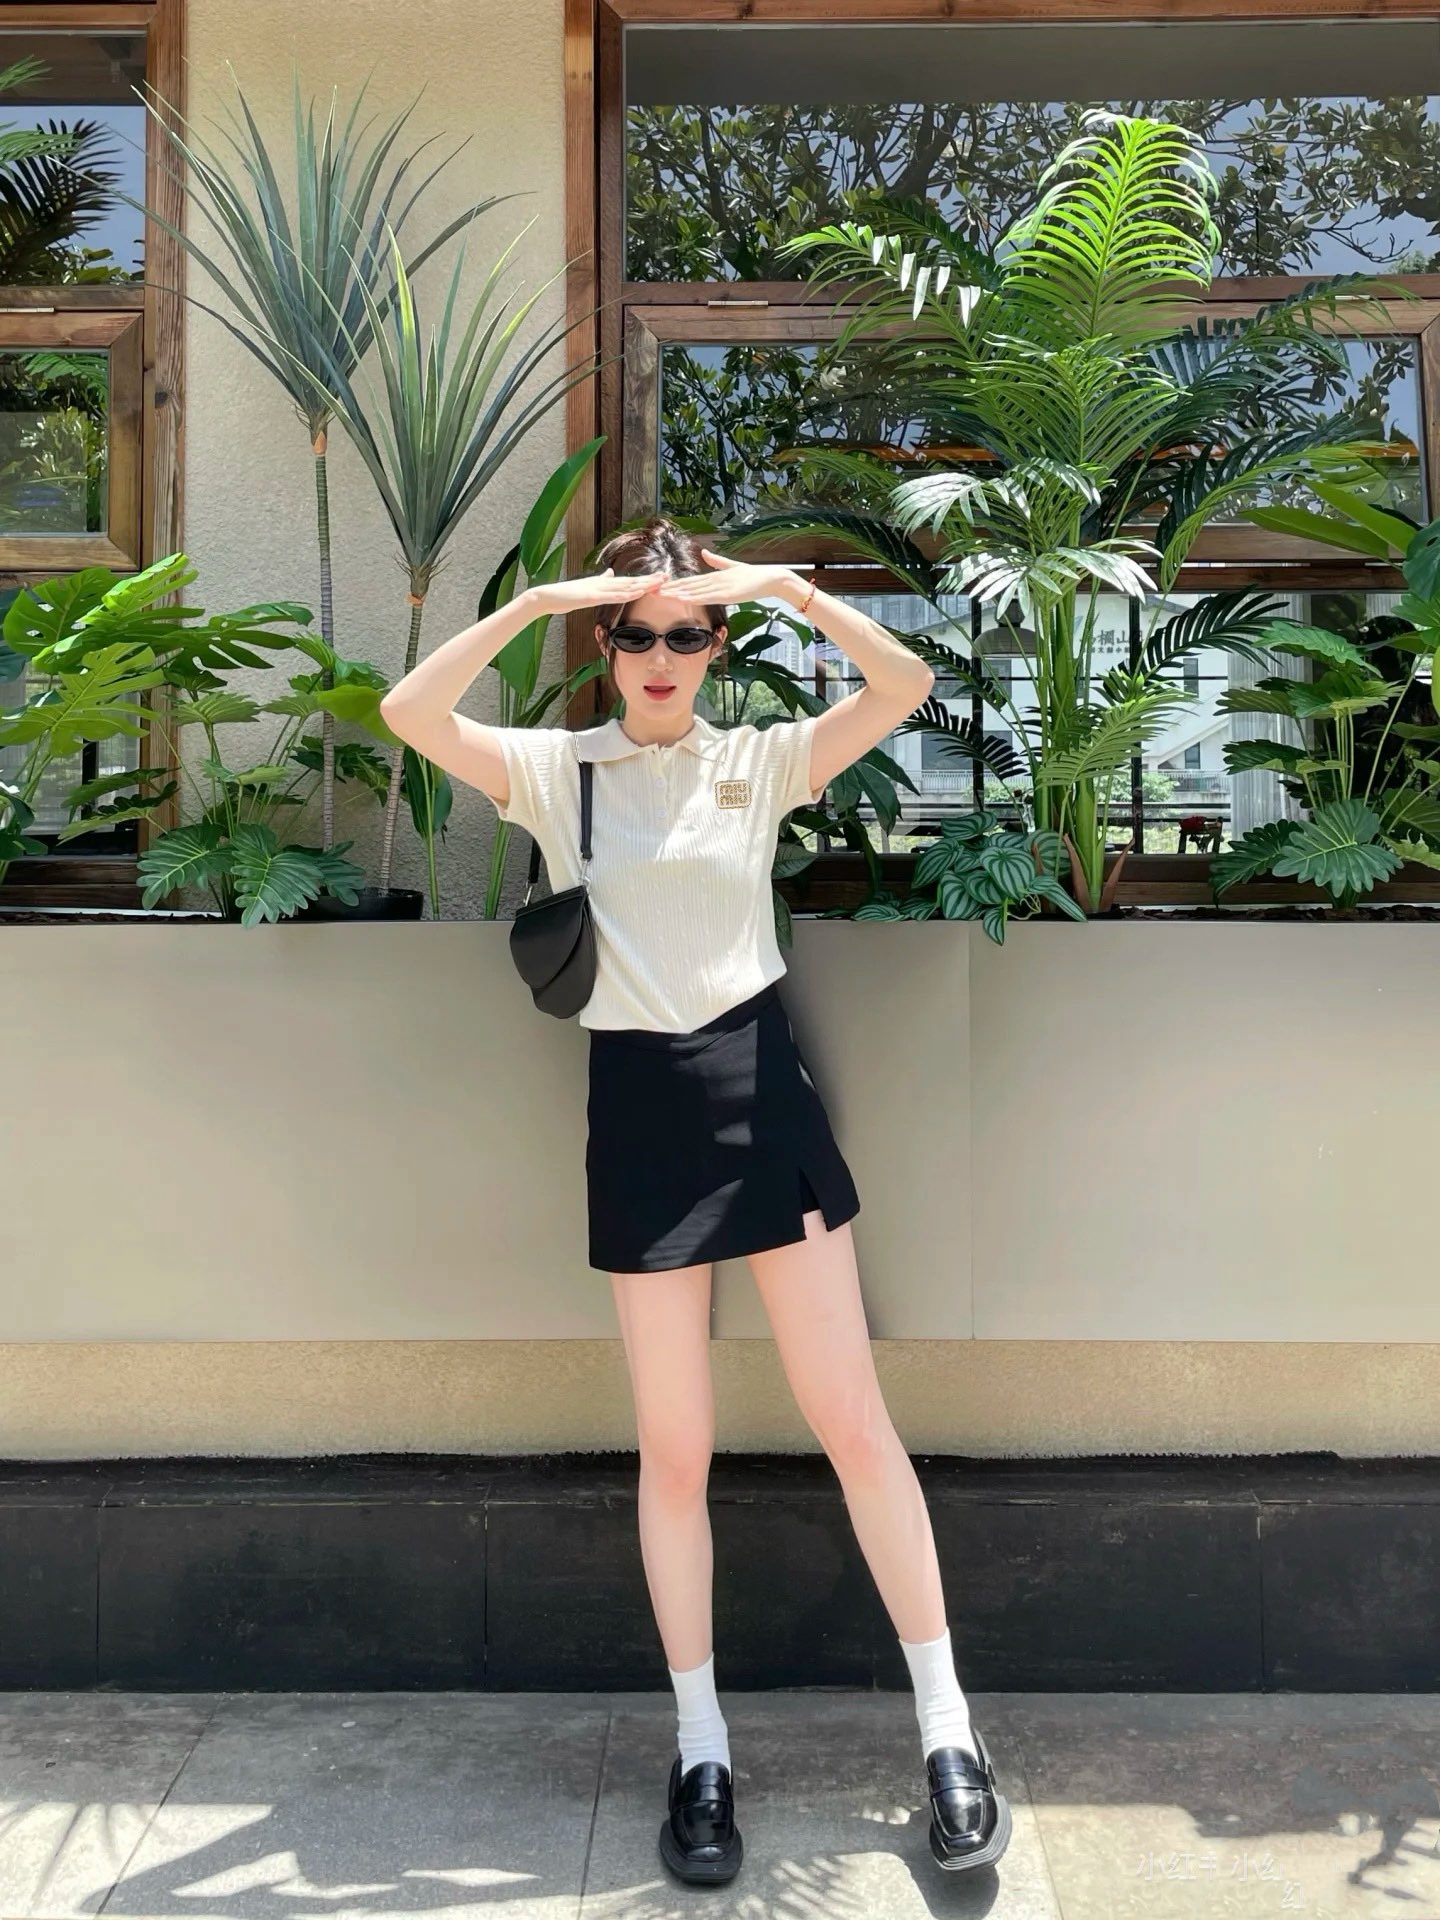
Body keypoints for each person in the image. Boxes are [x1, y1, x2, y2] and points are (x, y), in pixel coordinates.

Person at [379, 517, 1013, 1884]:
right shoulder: (558, 772)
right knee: (675, 1450)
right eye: (637, 632)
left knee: (853, 1422)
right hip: (641, 1106)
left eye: (686, 632)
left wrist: (785, 587)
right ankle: (701, 1748)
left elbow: (906, 686)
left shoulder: (758, 759)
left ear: (717, 643)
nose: (662, 655)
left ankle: (949, 1733)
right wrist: (538, 599)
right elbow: (408, 713)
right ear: (608, 644)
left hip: (760, 1090)